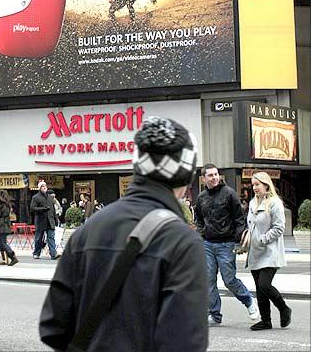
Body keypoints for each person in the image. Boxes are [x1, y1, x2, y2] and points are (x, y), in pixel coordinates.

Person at [39, 117, 208, 352]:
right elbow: (184, 342)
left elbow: (52, 326)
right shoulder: (183, 243)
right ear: (185, 178)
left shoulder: (87, 231)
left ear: (137, 167)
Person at [195, 164, 260, 326]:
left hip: (226, 244)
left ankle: (249, 302)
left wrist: (239, 240)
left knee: (229, 280)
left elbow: (239, 218)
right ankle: (215, 314)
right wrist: (202, 233)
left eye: (216, 174)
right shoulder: (201, 197)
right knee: (208, 280)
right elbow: (199, 220)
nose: (215, 177)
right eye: (210, 175)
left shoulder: (229, 193)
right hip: (208, 244)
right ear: (203, 179)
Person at [246, 172, 291, 331]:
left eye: (257, 184)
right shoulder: (252, 203)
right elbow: (251, 227)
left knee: (264, 285)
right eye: (253, 185)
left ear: (266, 185)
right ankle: (266, 321)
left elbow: (279, 228)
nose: (254, 188)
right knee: (259, 288)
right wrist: (246, 240)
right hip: (255, 252)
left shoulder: (274, 203)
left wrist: (263, 239)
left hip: (270, 252)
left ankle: (284, 308)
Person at [30, 181, 59, 260]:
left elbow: (53, 209)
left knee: (51, 238)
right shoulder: (35, 197)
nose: (45, 187)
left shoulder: (50, 197)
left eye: (45, 185)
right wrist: (42, 209)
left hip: (50, 221)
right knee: (39, 238)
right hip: (40, 221)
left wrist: (56, 220)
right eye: (43, 186)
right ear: (39, 188)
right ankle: (36, 253)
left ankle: (53, 254)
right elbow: (32, 208)